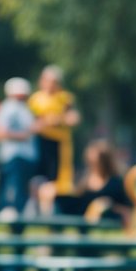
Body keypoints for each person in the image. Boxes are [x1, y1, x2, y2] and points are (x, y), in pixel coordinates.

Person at [49, 139, 133, 224]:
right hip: (84, 227)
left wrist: (107, 206)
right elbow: (75, 203)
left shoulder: (116, 183)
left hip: (108, 226)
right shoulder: (82, 179)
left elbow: (127, 210)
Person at [28, 65, 80, 195]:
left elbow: (73, 118)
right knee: (41, 175)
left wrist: (58, 120)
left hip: (60, 143)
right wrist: (46, 122)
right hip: (41, 141)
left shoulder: (65, 98)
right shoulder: (35, 99)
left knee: (60, 176)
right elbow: (32, 124)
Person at [0, 77, 39, 215]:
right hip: (14, 156)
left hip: (24, 157)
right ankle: (13, 220)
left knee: (22, 191)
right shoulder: (8, 108)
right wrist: (24, 134)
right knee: (14, 193)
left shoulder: (24, 108)